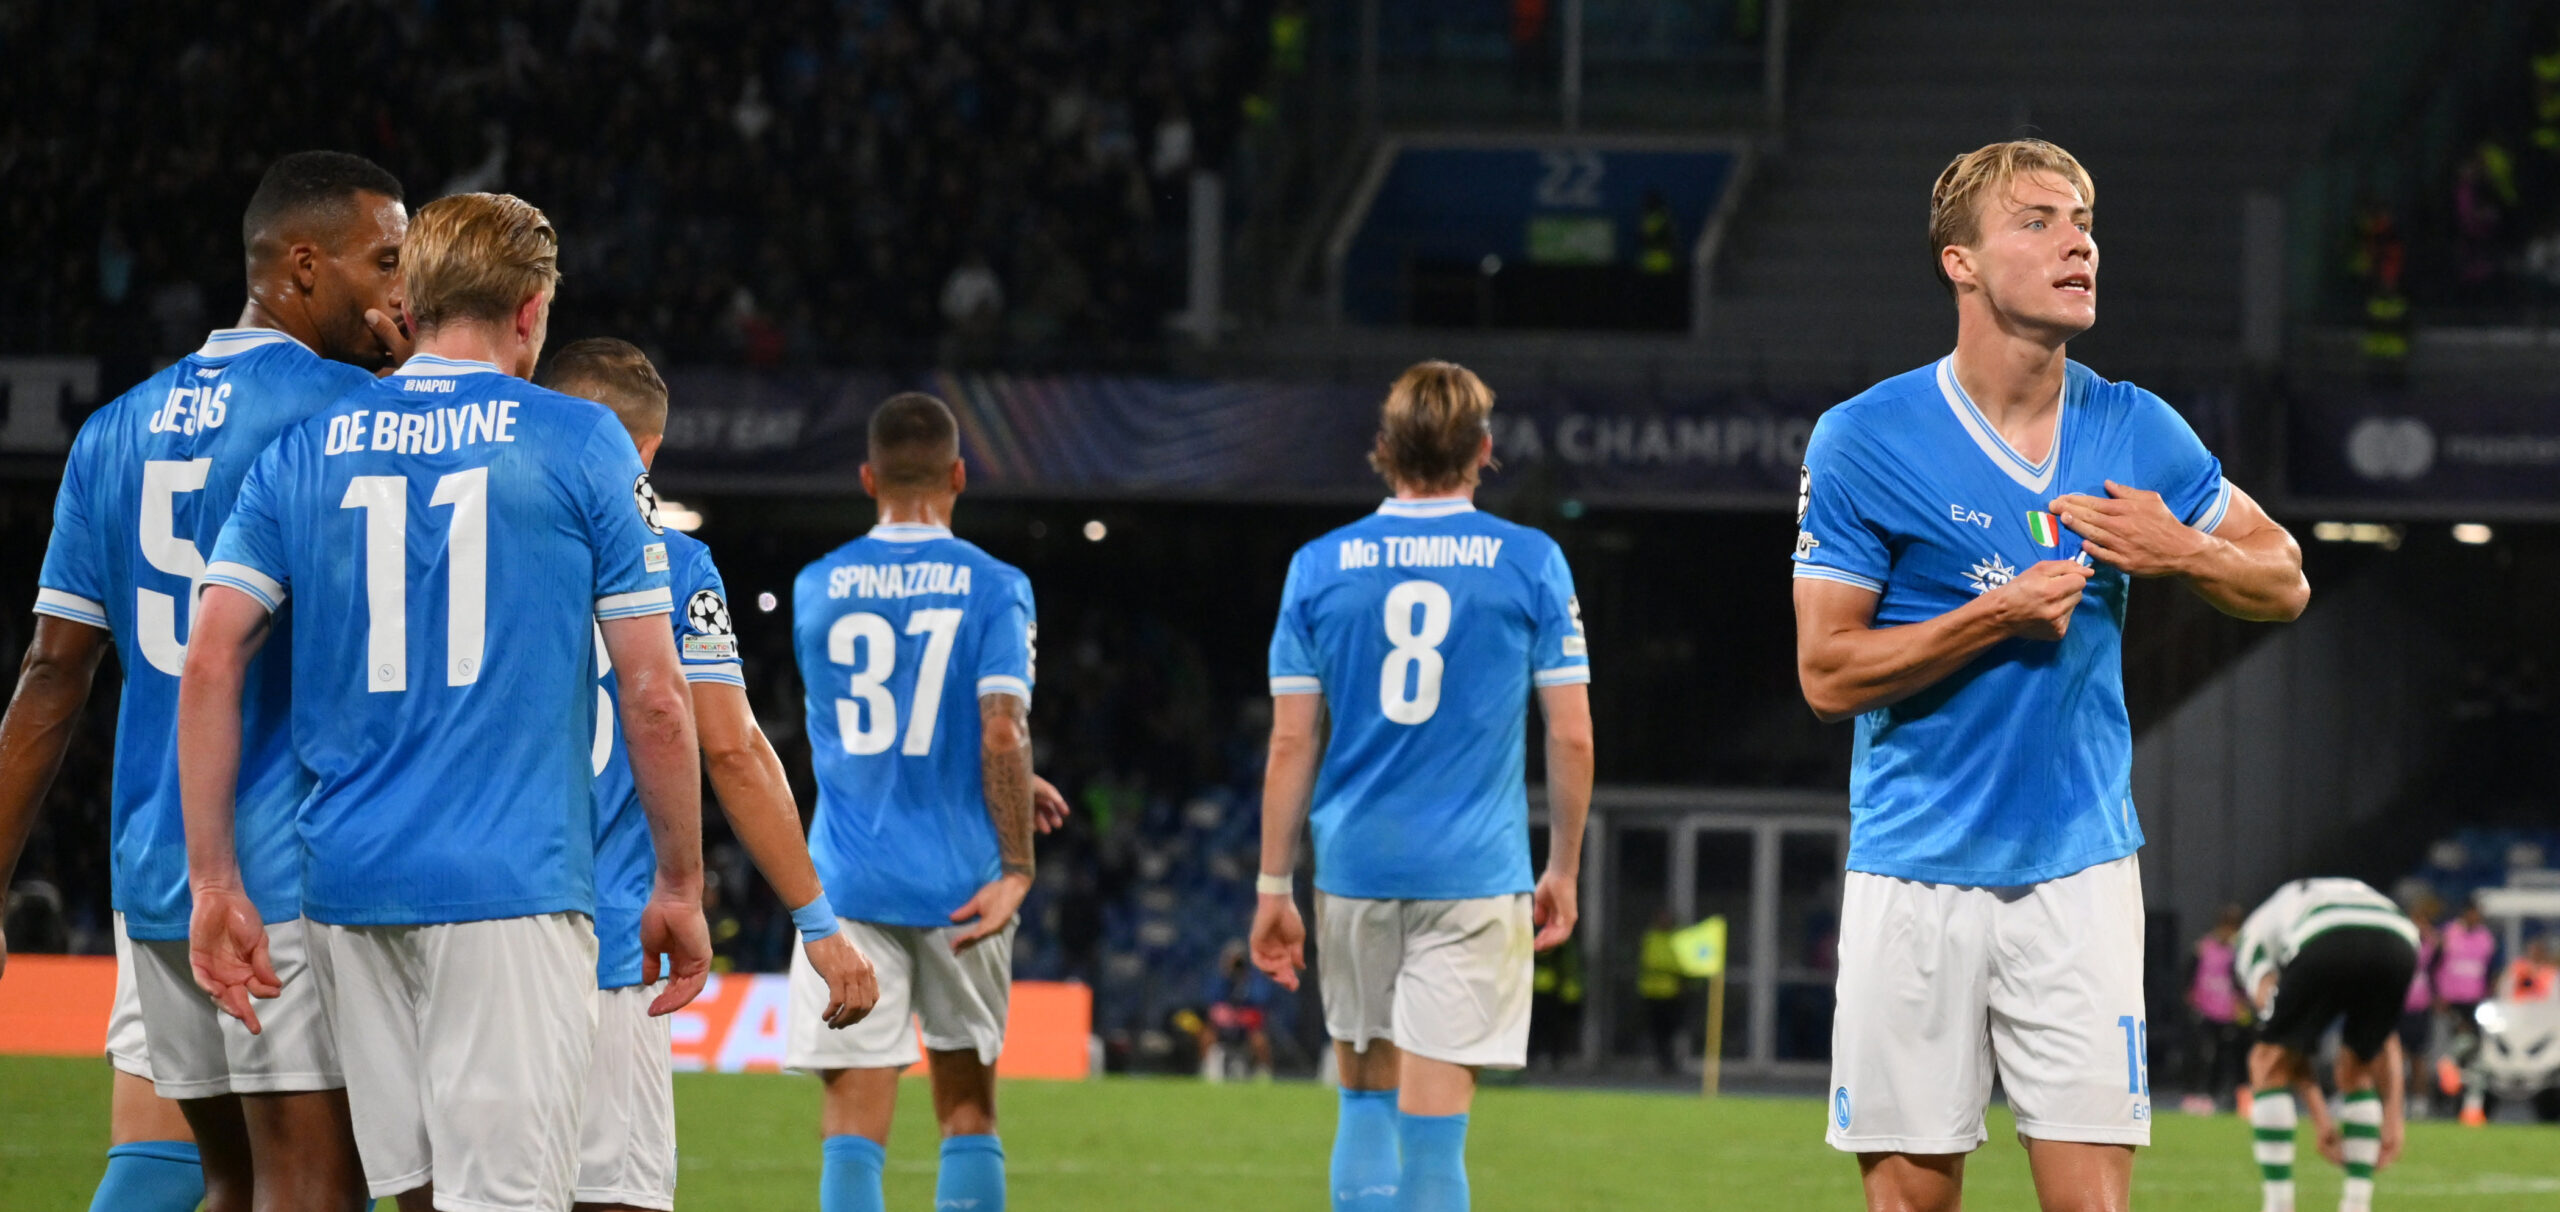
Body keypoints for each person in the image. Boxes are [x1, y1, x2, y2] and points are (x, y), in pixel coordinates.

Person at [1789, 139, 2309, 1212]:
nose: (2076, 241)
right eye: (2036, 221)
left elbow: (2286, 579)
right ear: (1960, 264)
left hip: (2077, 872)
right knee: (1908, 1204)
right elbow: (1828, 673)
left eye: (2081, 221)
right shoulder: (1865, 439)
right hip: (1913, 872)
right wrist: (1993, 614)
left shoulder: (2133, 427)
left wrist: (2188, 554)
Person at [180, 191, 714, 1212]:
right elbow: (653, 695)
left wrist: (214, 884)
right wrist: (680, 885)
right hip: (508, 883)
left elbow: (209, 663)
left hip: (346, 883)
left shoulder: (304, 448)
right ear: (531, 312)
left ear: (412, 301)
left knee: (417, 1197)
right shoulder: (578, 441)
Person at [2, 149, 410, 1212]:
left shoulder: (113, 429)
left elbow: (53, 676)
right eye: (385, 260)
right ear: (305, 266)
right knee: (316, 1188)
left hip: (155, 872)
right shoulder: (346, 413)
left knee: (228, 1180)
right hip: (285, 874)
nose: (402, 291)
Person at [541, 338, 882, 1212]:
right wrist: (817, 920)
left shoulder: (469, 541)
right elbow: (729, 748)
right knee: (611, 1197)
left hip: (451, 912)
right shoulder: (675, 563)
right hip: (605, 930)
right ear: (647, 452)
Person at [1249, 361, 1597, 1212]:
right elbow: (1573, 733)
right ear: (1484, 450)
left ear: (1382, 449)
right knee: (1437, 1124)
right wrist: (1564, 869)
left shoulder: (1318, 567)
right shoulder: (1531, 562)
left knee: (1365, 1100)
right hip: (1475, 875)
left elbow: (1293, 739)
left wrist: (1271, 884)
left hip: (1356, 870)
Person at [787, 392, 1041, 1212]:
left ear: (868, 478)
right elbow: (1000, 731)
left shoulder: (815, 586)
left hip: (849, 884)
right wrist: (1018, 864)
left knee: (853, 1113)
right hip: (962, 883)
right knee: (967, 1104)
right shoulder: (996, 586)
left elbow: (872, 733)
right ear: (960, 474)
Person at [2235, 879, 2419, 1212]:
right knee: (2356, 1066)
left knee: (2264, 1061)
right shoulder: (2314, 897)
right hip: (2399, 936)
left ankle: (2278, 1207)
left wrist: (2320, 1116)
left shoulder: (2252, 939)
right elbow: (2385, 1039)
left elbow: (2283, 1049)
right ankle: (2357, 1205)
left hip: (2326, 934)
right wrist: (2394, 1118)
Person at [2188, 904, 2250, 1114]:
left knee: (2229, 1058)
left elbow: (2240, 981)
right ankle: (2201, 1095)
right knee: (2206, 1055)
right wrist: (2192, 999)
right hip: (2207, 1011)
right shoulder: (2205, 947)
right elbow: (2191, 976)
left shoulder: (2239, 950)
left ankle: (2228, 1097)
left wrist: (2241, 1005)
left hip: (2229, 1013)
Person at [1637, 909, 1686, 1076]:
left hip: (1671, 993)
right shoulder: (1651, 938)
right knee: (1656, 1030)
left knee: (1671, 1030)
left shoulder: (1677, 938)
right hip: (1652, 992)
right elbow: (1649, 961)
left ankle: (1670, 1061)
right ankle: (1661, 1061)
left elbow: (1681, 963)